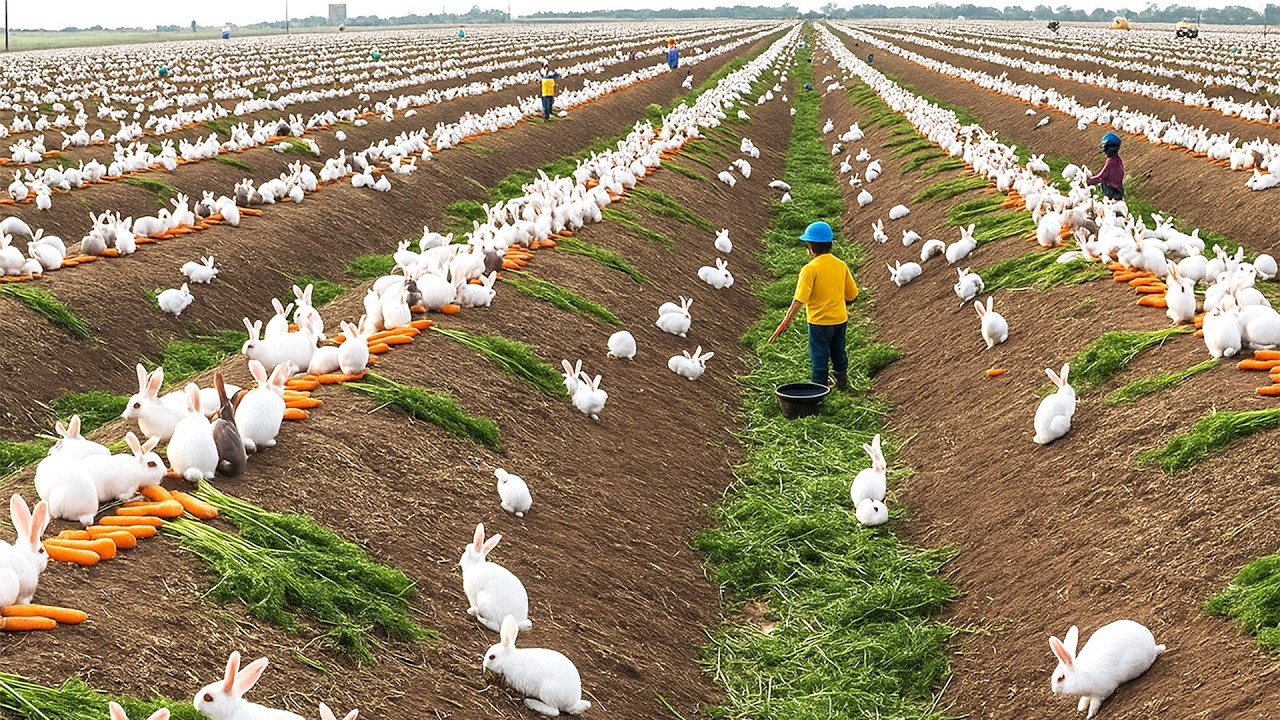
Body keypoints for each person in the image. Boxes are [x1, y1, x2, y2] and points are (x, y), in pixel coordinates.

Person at [768, 221, 860, 390]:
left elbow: (799, 299)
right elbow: (852, 294)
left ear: (810, 247)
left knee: (819, 355)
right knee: (838, 352)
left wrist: (786, 321)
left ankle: (818, 390)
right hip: (840, 320)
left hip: (819, 322)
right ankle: (842, 383)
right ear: (830, 244)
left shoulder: (809, 269)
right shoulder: (841, 265)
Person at [1087, 132, 1125, 201]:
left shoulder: (1110, 161)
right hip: (1119, 191)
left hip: (1112, 192)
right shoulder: (1118, 159)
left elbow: (1101, 176)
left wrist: (1089, 180)